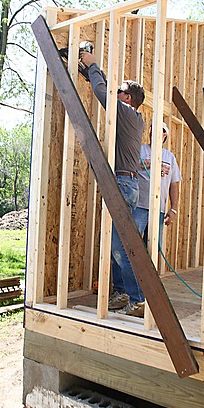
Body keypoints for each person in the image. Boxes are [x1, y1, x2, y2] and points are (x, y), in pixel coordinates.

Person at [80, 51, 146, 315]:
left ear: (127, 98)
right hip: (126, 183)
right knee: (115, 243)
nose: (115, 93)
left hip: (122, 183)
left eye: (119, 91)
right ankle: (120, 292)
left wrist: (92, 65)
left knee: (121, 246)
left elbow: (101, 92)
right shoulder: (133, 117)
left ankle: (137, 298)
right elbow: (104, 88)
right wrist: (92, 73)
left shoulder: (126, 113)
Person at [112, 121, 182, 317]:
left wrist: (173, 209)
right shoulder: (140, 150)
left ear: (165, 135)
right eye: (152, 128)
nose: (154, 132)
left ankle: (143, 297)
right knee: (126, 249)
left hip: (157, 211)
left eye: (159, 130)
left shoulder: (170, 157)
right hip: (138, 207)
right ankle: (125, 293)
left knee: (149, 253)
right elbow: (125, 166)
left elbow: (174, 184)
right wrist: (143, 164)